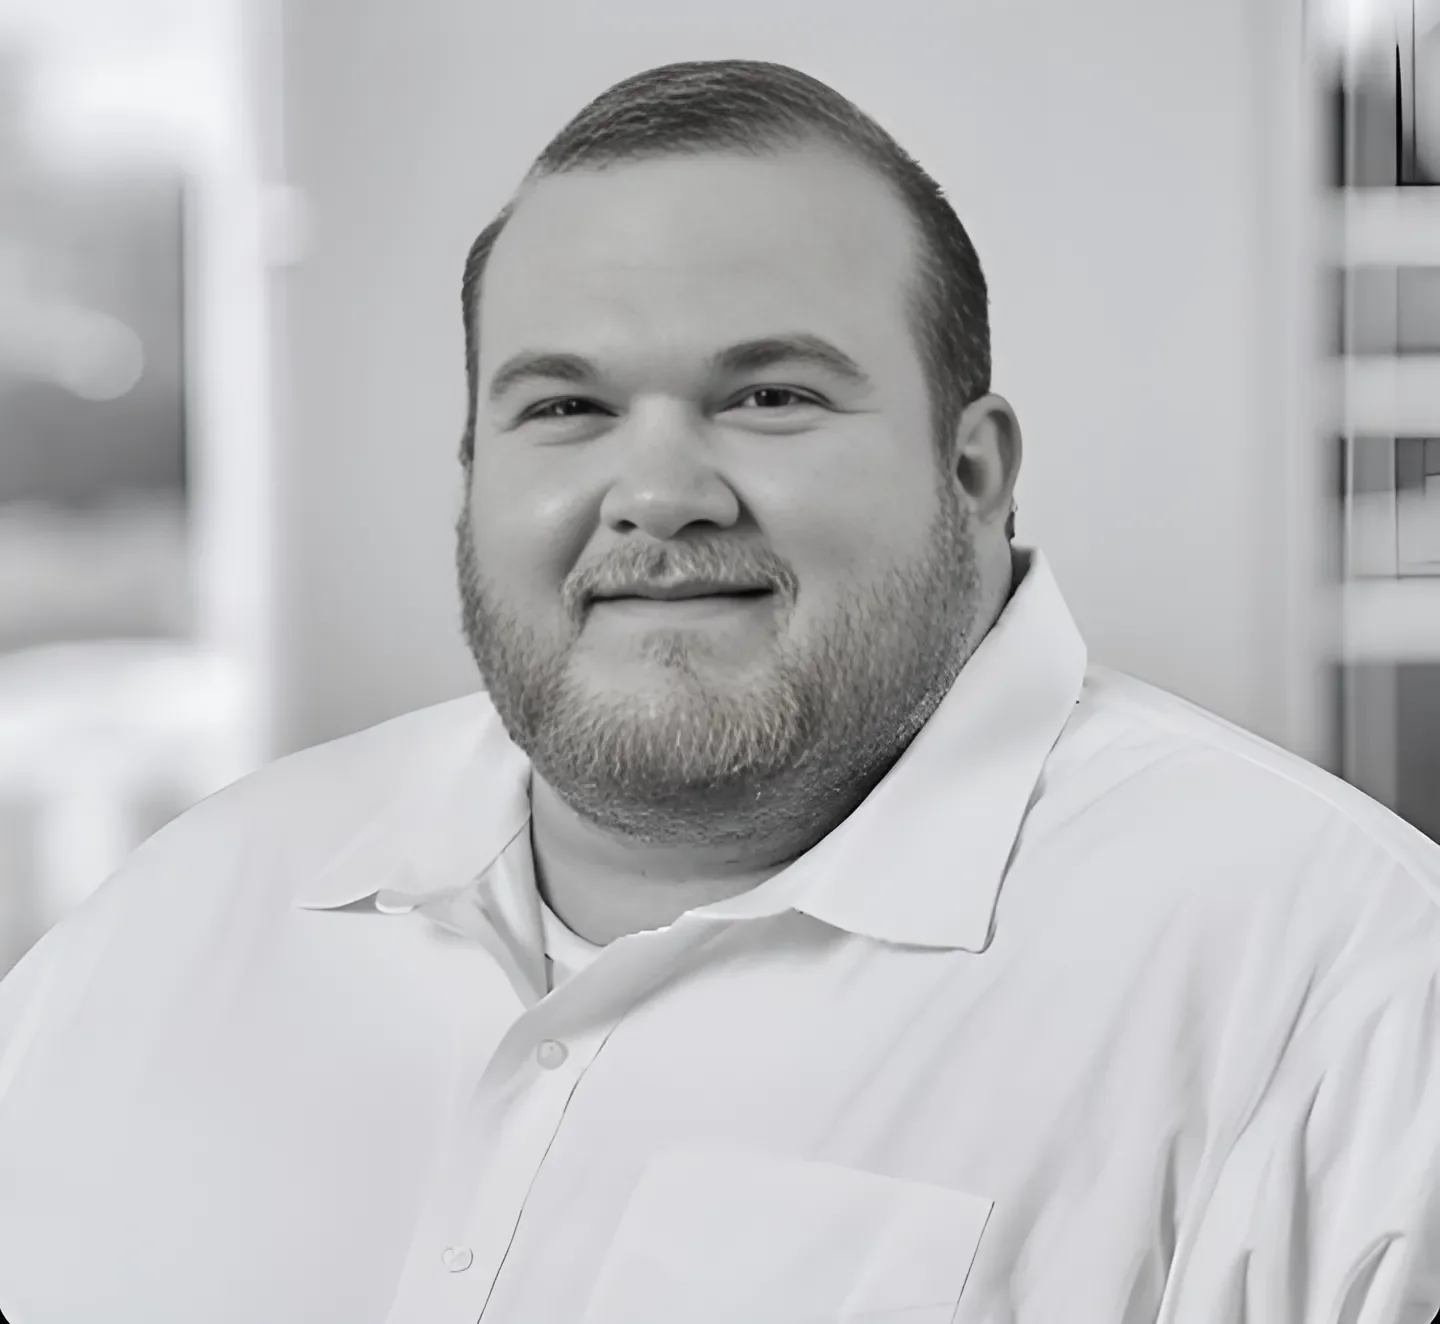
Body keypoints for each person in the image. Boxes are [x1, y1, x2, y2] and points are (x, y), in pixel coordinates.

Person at [0, 57, 1438, 1324]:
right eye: (564, 407)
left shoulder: (1350, 990)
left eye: (771, 397)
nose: (661, 496)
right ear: (474, 476)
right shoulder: (167, 924)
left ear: (975, 471)